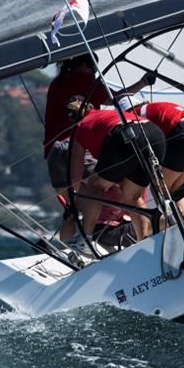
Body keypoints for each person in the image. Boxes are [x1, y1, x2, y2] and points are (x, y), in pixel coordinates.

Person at [43, 54, 154, 239]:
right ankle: (100, 237)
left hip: (54, 153)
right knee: (115, 187)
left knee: (72, 210)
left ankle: (71, 251)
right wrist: (143, 82)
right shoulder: (85, 80)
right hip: (76, 147)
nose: (93, 72)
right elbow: (115, 99)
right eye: (93, 68)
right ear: (86, 66)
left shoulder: (57, 83)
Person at [67, 100, 166, 244]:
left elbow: (75, 175)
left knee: (95, 186)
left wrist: (76, 202)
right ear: (91, 107)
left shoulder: (79, 127)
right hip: (154, 133)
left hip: (126, 135)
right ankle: (143, 240)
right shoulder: (107, 113)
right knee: (131, 194)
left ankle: (85, 241)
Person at [119, 95, 184, 219]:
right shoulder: (159, 106)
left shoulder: (137, 114)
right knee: (175, 189)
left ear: (128, 111)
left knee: (159, 187)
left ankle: (176, 226)